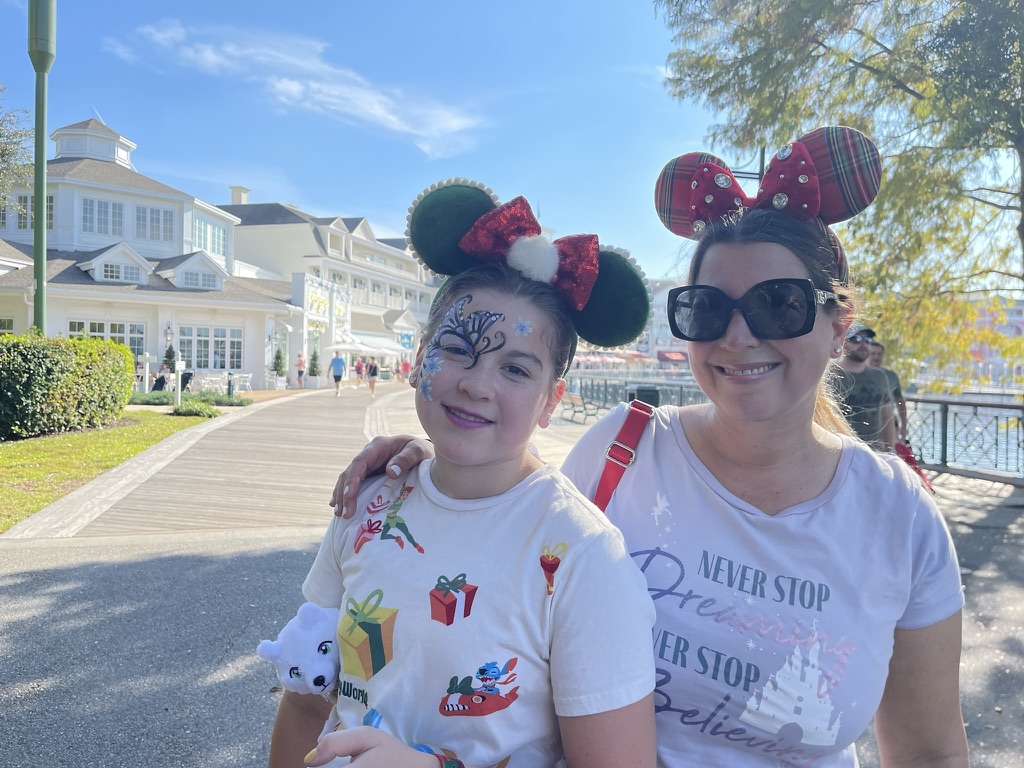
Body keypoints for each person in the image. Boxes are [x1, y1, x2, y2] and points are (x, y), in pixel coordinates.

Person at [331, 128, 969, 766]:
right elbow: (515, 528)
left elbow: (930, 752)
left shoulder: (899, 516)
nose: (739, 336)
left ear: (838, 327)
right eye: (708, 308)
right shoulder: (626, 449)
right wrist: (437, 459)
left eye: (779, 305)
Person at [269, 180, 658, 768]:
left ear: (553, 400)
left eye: (517, 369)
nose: (477, 384)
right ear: (419, 355)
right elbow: (305, 705)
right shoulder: (371, 502)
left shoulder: (581, 556)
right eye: (456, 347)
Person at [835, 326, 896, 451]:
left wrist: (891, 450)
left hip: (875, 452)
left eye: (868, 340)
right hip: (842, 453)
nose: (863, 344)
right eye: (856, 339)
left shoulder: (879, 376)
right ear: (843, 342)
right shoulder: (832, 375)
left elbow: (887, 416)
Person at [868, 340, 909, 443]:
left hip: (888, 424)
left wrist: (903, 427)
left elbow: (900, 402)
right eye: (873, 354)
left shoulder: (891, 376)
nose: (876, 357)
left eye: (879, 354)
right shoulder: (857, 375)